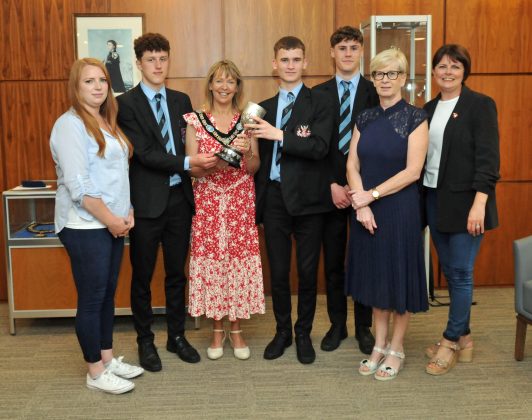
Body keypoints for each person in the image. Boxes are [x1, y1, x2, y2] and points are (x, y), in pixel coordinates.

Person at [117, 33, 218, 371]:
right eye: (151, 60)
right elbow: (145, 154)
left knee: (177, 274)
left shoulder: (181, 100)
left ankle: (176, 337)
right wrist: (190, 164)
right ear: (139, 63)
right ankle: (145, 342)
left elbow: (193, 143)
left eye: (163, 59)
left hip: (179, 201)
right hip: (146, 204)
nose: (158, 65)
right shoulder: (125, 104)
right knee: (142, 277)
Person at [50, 58, 143, 394]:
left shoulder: (106, 121)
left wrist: (127, 211)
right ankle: (94, 372)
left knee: (106, 297)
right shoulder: (69, 125)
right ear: (76, 86)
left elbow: (117, 176)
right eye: (89, 81)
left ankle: (106, 358)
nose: (98, 86)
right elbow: (81, 186)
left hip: (111, 223)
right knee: (92, 298)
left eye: (102, 80)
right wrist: (112, 221)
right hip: (84, 225)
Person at [345, 48, 429, 380]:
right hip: (366, 211)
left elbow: (413, 172)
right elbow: (352, 164)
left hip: (400, 210)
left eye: (392, 73)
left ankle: (397, 346)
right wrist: (362, 204)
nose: (385, 80)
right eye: (379, 74)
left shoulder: (415, 117)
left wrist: (373, 194)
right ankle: (378, 344)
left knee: (399, 280)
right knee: (377, 280)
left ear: (403, 78)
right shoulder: (364, 118)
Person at [249, 36, 333, 364]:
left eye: (296, 59)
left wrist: (279, 135)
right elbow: (255, 157)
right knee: (279, 272)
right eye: (284, 60)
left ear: (305, 63)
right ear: (274, 64)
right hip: (273, 199)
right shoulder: (263, 108)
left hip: (310, 201)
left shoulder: (321, 102)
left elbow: (319, 147)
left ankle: (303, 333)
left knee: (308, 272)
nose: (290, 65)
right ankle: (282, 331)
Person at [423, 44, 500, 376]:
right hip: (434, 200)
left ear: (465, 71)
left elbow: (488, 160)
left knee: (461, 273)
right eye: (442, 66)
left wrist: (479, 204)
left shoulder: (479, 105)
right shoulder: (427, 108)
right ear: (434, 71)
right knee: (451, 272)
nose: (448, 72)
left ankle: (450, 339)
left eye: (455, 66)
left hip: (468, 203)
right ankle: (465, 338)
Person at [183, 60, 265, 360]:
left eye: (230, 81)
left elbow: (255, 167)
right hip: (207, 201)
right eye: (219, 81)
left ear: (237, 87)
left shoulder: (249, 122)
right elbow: (191, 169)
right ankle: (217, 329)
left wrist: (245, 153)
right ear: (210, 84)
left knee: (238, 262)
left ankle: (237, 328)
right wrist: (210, 163)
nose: (224, 87)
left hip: (240, 200)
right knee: (214, 262)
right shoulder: (194, 121)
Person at [313, 26, 379, 354]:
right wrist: (331, 185)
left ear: (361, 51)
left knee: (365, 260)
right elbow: (314, 147)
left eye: (354, 47)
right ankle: (337, 325)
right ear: (333, 53)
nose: (348, 53)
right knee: (334, 262)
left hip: (366, 192)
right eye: (342, 48)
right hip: (330, 194)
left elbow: (383, 146)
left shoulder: (376, 91)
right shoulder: (317, 93)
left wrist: (361, 189)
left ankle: (363, 327)